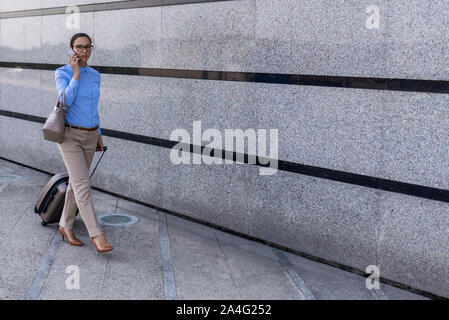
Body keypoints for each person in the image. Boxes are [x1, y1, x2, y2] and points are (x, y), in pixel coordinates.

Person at [55, 33, 113, 253]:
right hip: (69, 136)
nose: (84, 51)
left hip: (90, 136)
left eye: (88, 47)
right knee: (82, 185)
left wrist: (98, 132)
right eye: (79, 47)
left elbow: (93, 107)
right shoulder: (62, 72)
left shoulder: (96, 75)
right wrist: (76, 74)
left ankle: (65, 226)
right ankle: (97, 235)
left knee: (75, 185)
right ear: (71, 49)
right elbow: (65, 101)